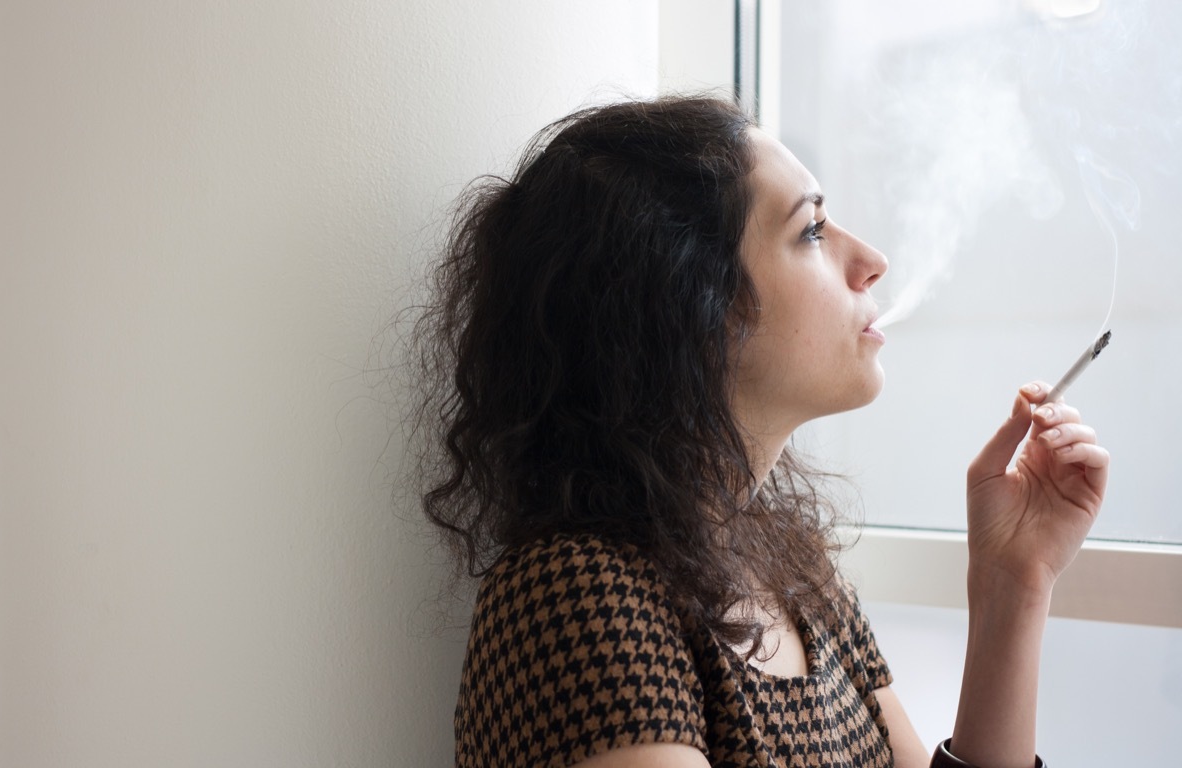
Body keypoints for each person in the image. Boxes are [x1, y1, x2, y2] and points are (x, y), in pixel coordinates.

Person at [409, 96, 1108, 768]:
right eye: (811, 230)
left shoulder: (794, 573)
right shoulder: (576, 597)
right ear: (689, 307)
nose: (870, 260)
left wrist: (1012, 583)